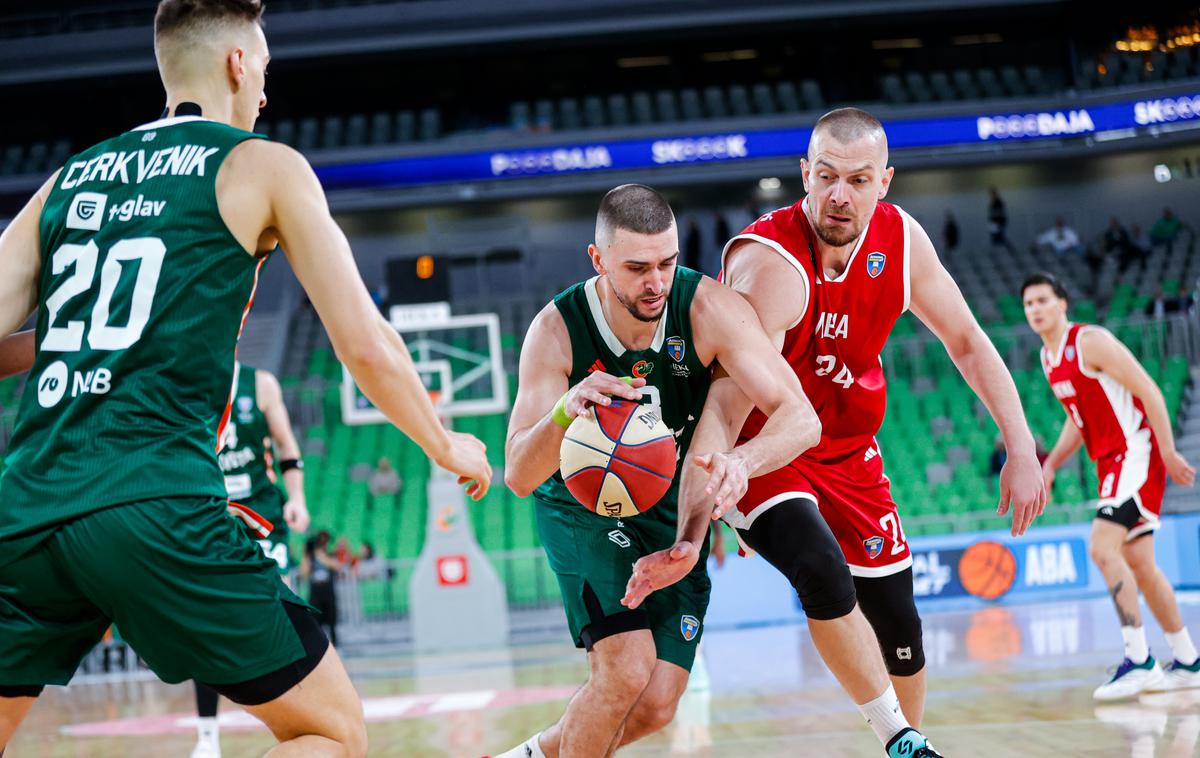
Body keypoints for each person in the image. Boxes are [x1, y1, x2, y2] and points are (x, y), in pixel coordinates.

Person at [0, 2, 492, 755]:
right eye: (263, 68)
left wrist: (75, 345)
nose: (264, 91)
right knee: (331, 731)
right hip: (152, 497)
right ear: (237, 63)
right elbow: (362, 343)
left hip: (26, 506)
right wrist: (444, 443)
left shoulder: (67, 180)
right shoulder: (263, 163)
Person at [628, 107, 1046, 757]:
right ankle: (902, 741)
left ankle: (903, 742)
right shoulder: (772, 269)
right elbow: (723, 408)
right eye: (825, 177)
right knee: (820, 568)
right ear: (804, 176)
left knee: (901, 630)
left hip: (851, 451)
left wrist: (1020, 446)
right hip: (765, 449)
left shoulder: (903, 244)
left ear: (885, 182)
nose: (839, 194)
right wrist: (709, 500)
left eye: (857, 179)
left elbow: (966, 340)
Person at [497, 183, 822, 758]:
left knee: (656, 703)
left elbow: (802, 420)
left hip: (671, 505)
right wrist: (563, 411)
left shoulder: (707, 308)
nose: (656, 282)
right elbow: (519, 475)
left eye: (668, 263)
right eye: (638, 267)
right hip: (581, 504)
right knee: (624, 671)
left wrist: (740, 463)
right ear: (597, 260)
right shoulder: (555, 331)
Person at [1023, 272, 1200, 700]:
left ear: (1063, 303)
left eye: (1044, 300)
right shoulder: (1050, 359)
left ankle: (1139, 660)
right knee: (1140, 562)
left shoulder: (1091, 342)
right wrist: (1050, 466)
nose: (1036, 310)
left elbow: (1151, 391)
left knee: (1102, 549)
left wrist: (1170, 451)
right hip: (1110, 463)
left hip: (1135, 453)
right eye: (1029, 304)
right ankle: (1189, 661)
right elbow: (1077, 420)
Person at [193, 361, 312, 758]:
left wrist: (297, 498)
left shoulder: (260, 384)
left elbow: (287, 446)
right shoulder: (183, 375)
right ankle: (208, 737)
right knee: (205, 627)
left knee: (285, 614)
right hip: (211, 519)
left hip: (263, 517)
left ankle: (304, 721)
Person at [988, 187, 1014, 252]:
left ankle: (1010, 249)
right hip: (994, 223)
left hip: (998, 223)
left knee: (999, 237)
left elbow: (1000, 212)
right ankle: (1000, 250)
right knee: (996, 237)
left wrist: (997, 221)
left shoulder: (998, 201)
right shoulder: (994, 201)